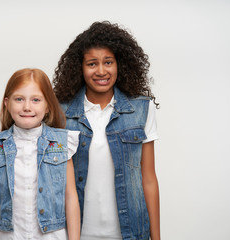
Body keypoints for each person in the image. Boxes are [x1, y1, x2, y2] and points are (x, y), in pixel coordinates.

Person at [53, 21, 160, 240]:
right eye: (92, 64)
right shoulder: (59, 112)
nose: (101, 71)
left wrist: (156, 237)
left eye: (108, 62)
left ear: (119, 65)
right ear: (80, 68)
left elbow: (148, 179)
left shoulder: (142, 109)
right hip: (74, 232)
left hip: (130, 232)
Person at [0, 68, 81, 240]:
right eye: (19, 99)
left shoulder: (62, 144)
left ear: (47, 106)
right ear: (7, 103)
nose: (27, 107)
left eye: (36, 100)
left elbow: (70, 197)